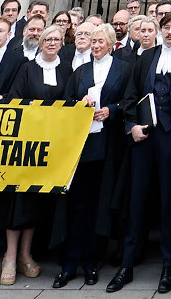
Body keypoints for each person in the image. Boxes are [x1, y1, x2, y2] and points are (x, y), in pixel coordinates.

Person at [116, 14, 171, 293]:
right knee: (137, 200)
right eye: (166, 27)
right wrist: (131, 125)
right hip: (144, 138)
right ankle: (127, 264)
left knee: (169, 201)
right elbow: (131, 95)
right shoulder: (146, 58)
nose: (170, 32)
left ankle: (168, 265)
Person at [58, 24, 130, 289]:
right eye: (93, 40)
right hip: (82, 146)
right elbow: (66, 102)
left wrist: (112, 109)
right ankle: (70, 262)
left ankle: (90, 261)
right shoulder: (80, 72)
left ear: (111, 44)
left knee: (99, 205)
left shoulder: (123, 70)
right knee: (78, 204)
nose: (96, 45)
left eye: (101, 41)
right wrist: (80, 106)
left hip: (108, 145)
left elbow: (129, 101)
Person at [2, 26, 70, 285]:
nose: (52, 43)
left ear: (62, 43)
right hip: (25, 145)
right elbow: (14, 99)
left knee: (36, 200)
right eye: (48, 39)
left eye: (56, 39)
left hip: (51, 147)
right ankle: (9, 255)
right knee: (18, 198)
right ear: (40, 42)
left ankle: (25, 254)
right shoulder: (27, 68)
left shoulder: (66, 70)